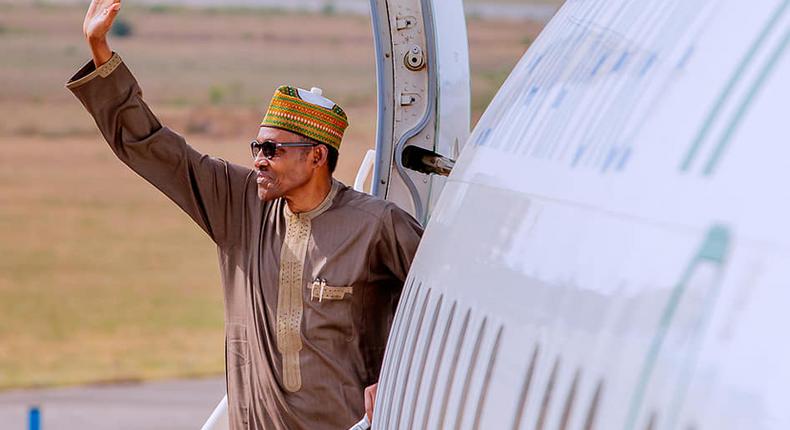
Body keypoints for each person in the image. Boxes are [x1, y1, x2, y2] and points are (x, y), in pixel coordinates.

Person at [68, 1, 423, 428]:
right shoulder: (239, 205)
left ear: (316, 156)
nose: (259, 159)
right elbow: (155, 149)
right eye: (257, 147)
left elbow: (439, 306)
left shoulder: (377, 224)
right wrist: (100, 51)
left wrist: (400, 379)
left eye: (273, 149)